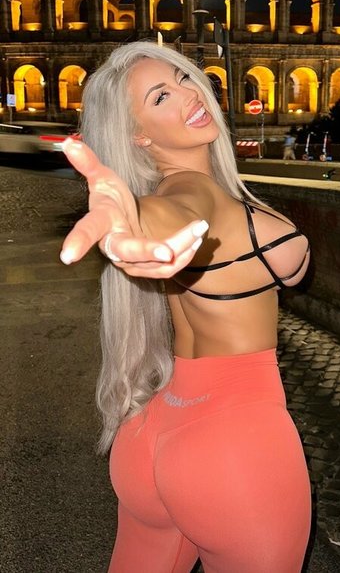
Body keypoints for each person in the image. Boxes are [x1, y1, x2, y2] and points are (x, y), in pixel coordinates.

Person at [59, 40, 312, 573]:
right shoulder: (194, 194)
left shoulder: (190, 189)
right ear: (139, 135)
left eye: (183, 79)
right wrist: (129, 221)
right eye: (160, 97)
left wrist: (137, 215)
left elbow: (167, 209)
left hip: (151, 431)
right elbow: (172, 213)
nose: (190, 94)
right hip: (235, 443)